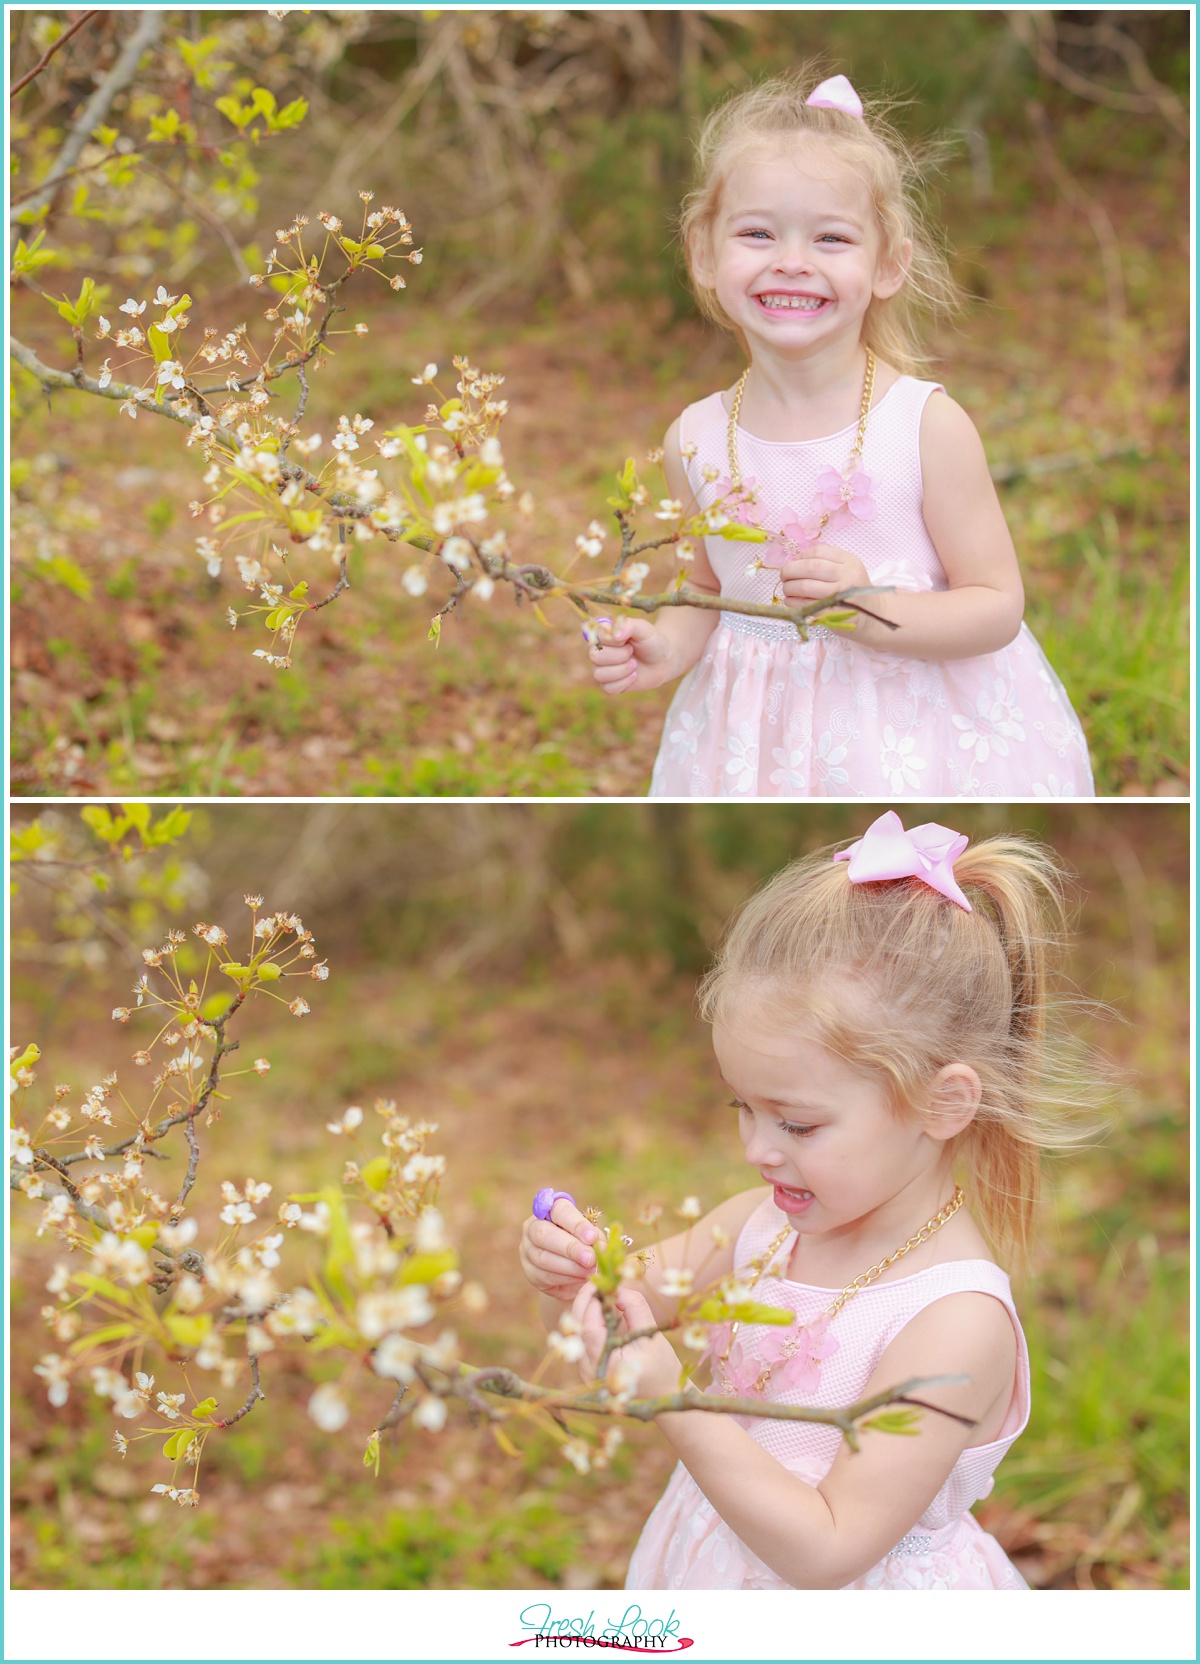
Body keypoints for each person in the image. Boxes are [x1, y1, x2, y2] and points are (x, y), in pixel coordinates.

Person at [519, 812, 1096, 1589]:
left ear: (943, 1104)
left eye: (798, 1122)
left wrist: (674, 1401)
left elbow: (830, 1550)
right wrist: (574, 1276)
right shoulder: (755, 1227)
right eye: (743, 1110)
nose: (758, 1149)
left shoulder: (956, 1322)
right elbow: (607, 1328)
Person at [586, 71, 1094, 798]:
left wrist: (871, 603)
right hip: (759, 748)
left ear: (888, 264)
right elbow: (705, 584)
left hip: (917, 738)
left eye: (831, 238)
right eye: (757, 233)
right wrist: (665, 645)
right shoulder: (692, 437)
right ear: (704, 253)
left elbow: (996, 604)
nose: (792, 260)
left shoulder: (925, 427)